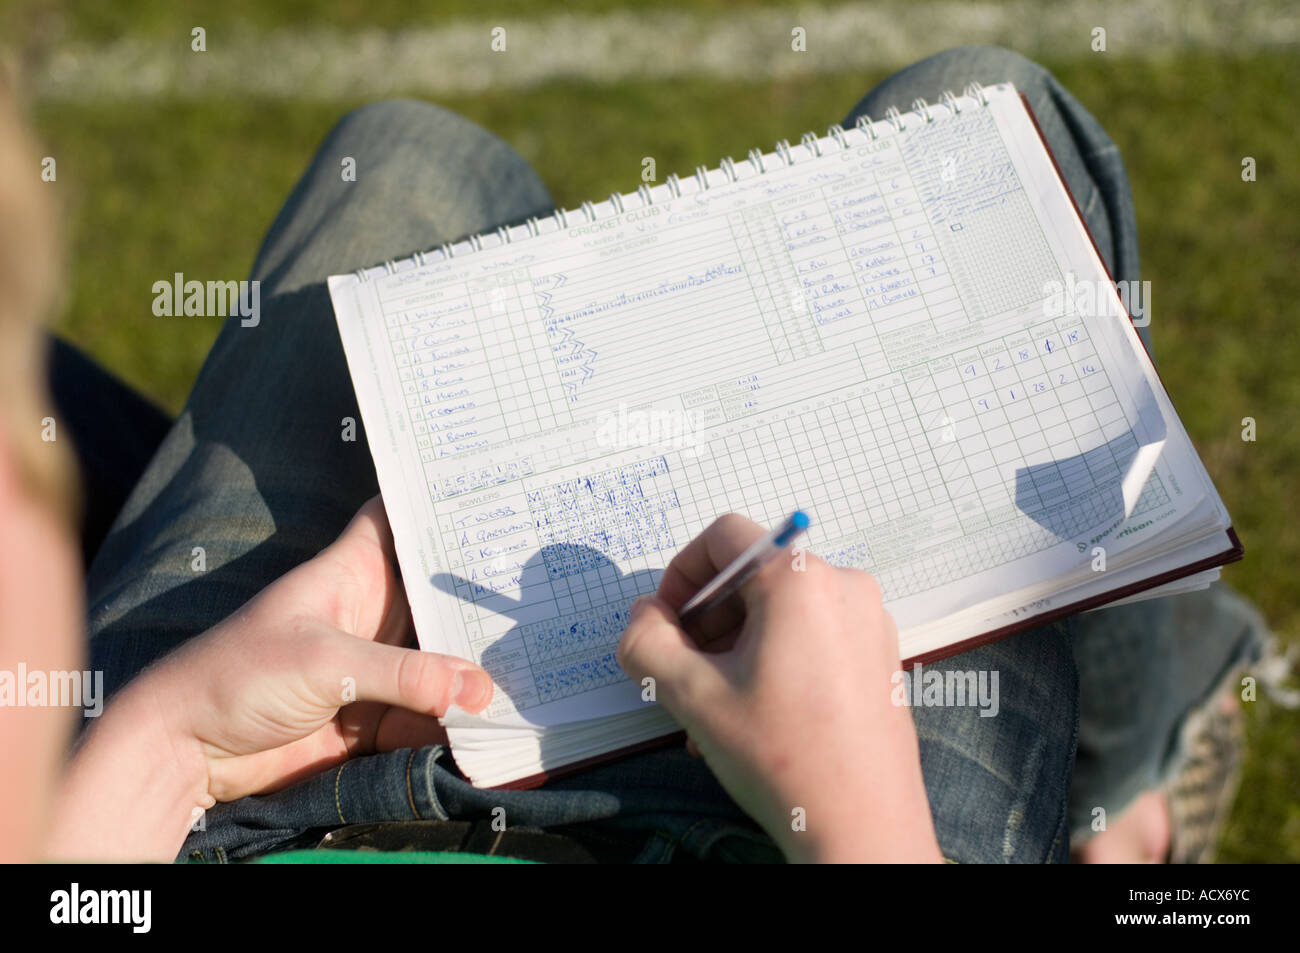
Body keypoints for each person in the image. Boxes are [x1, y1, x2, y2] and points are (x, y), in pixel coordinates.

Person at [1, 45, 1268, 864]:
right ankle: (1121, 803)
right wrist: (855, 814)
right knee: (981, 110)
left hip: (225, 817)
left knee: (407, 154)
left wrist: (164, 744)